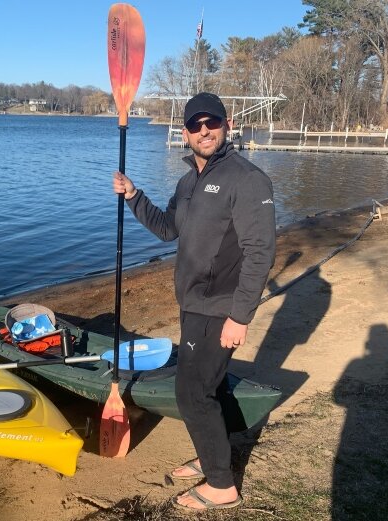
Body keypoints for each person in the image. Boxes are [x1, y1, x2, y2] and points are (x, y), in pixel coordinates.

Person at [112, 92, 276, 511]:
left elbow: (261, 254)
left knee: (191, 394)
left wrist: (240, 316)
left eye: (212, 123)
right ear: (185, 133)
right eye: (195, 125)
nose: (205, 131)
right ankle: (210, 458)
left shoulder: (248, 179)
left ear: (227, 124)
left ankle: (222, 485)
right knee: (209, 388)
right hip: (192, 303)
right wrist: (134, 196)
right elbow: (168, 230)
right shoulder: (189, 181)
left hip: (218, 306)